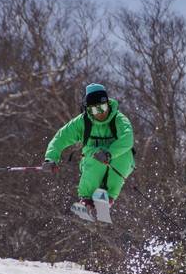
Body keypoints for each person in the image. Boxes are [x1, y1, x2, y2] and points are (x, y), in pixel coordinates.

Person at [42, 83, 135, 212]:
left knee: (123, 155)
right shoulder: (82, 122)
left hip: (119, 161)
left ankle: (108, 197)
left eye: (102, 107)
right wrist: (50, 158)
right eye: (94, 110)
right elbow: (60, 138)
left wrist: (109, 153)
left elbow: (127, 139)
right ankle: (87, 199)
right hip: (92, 161)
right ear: (88, 110)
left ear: (108, 104)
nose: (100, 113)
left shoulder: (119, 120)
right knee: (96, 155)